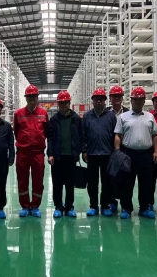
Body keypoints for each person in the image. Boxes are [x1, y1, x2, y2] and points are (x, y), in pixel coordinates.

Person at [114, 87, 157, 220]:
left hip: (146, 154)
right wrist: (117, 152)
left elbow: (155, 135)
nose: (138, 102)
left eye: (140, 100)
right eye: (135, 100)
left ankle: (144, 208)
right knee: (127, 183)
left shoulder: (150, 116)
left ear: (144, 101)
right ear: (131, 101)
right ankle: (126, 208)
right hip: (128, 153)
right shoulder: (123, 117)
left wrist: (156, 151)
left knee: (146, 182)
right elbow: (118, 135)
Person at [13, 84, 49, 218]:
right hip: (22, 153)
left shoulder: (43, 113)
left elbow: (46, 131)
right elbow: (16, 131)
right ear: (26, 98)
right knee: (22, 180)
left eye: (34, 96)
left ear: (37, 97)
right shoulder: (18, 114)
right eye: (29, 96)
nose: (32, 99)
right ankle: (24, 206)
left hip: (37, 153)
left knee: (38, 180)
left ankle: (35, 206)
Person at [47, 90, 84, 218]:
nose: (63, 105)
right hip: (57, 157)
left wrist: (80, 151)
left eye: (65, 103)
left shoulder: (76, 119)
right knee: (57, 183)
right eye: (61, 103)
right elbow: (50, 138)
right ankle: (58, 207)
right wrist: (50, 154)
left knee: (70, 183)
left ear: (69, 103)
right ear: (58, 104)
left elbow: (81, 135)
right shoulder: (54, 119)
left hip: (71, 157)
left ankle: (69, 207)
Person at [82, 87, 116, 217]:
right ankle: (93, 206)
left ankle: (105, 206)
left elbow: (115, 134)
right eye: (96, 99)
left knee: (107, 182)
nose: (98, 101)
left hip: (107, 154)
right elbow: (83, 135)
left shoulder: (111, 116)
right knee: (92, 182)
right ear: (93, 101)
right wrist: (84, 150)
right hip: (92, 154)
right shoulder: (87, 116)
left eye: (101, 99)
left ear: (105, 101)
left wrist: (115, 151)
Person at [106, 85, 129, 213]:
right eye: (114, 96)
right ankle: (112, 202)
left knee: (124, 177)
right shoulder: (105, 112)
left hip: (125, 150)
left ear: (122, 98)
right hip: (109, 150)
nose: (116, 99)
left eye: (119, 96)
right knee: (110, 178)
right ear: (110, 98)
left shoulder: (128, 113)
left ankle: (125, 203)